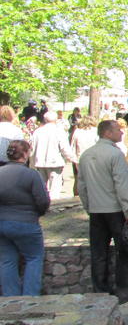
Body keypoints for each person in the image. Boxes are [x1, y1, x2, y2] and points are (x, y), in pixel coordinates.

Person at [77, 120, 128, 304]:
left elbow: (81, 185)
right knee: (122, 251)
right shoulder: (115, 154)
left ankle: (100, 290)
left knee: (98, 252)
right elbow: (122, 185)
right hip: (114, 210)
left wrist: (88, 206)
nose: (122, 132)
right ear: (107, 133)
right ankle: (123, 291)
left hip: (96, 210)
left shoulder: (86, 155)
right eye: (118, 130)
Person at [0, 140, 50, 296]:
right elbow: (43, 201)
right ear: (24, 155)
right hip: (26, 223)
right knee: (34, 258)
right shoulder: (31, 174)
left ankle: (10, 301)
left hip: (2, 223)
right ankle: (30, 299)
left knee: (7, 261)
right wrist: (38, 213)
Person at [29, 111, 76, 200]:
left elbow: (32, 148)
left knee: (42, 186)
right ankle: (53, 205)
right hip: (55, 162)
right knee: (55, 186)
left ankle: (42, 203)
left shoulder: (37, 131)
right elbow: (64, 148)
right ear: (55, 120)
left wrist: (31, 164)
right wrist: (72, 158)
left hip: (40, 162)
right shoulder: (59, 131)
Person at [70, 115, 99, 196]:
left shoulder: (77, 131)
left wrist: (73, 158)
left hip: (79, 158)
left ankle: (79, 196)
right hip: (93, 158)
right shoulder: (95, 131)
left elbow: (73, 146)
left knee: (79, 180)